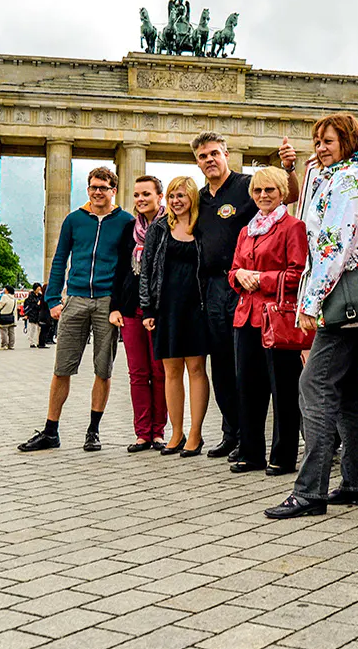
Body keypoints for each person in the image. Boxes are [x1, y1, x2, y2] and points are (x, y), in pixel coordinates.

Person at [266, 113, 358, 519]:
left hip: (340, 299)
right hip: (351, 299)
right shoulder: (338, 177)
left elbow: (333, 248)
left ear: (348, 141)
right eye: (317, 141)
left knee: (314, 386)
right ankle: (357, 482)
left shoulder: (349, 182)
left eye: (328, 141)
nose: (320, 148)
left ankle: (309, 492)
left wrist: (310, 304)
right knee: (347, 390)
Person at [191, 131, 299, 460]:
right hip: (215, 286)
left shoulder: (247, 186)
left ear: (226, 154)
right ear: (197, 161)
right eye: (202, 156)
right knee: (223, 366)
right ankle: (232, 433)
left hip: (250, 291)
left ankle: (259, 442)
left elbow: (287, 194)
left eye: (214, 153)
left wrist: (289, 168)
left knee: (257, 372)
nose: (209, 160)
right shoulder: (200, 198)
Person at [18, 167, 134, 453]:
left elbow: (128, 267)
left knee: (103, 369)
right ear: (88, 189)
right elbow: (60, 259)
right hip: (77, 298)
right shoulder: (74, 220)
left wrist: (122, 304)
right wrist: (53, 299)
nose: (97, 192)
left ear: (113, 190)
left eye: (103, 188)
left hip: (107, 301)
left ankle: (93, 431)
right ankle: (50, 431)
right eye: (93, 187)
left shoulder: (125, 221)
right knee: (62, 369)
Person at [227, 167, 308, 475]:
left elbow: (298, 274)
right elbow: (233, 271)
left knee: (283, 390)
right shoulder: (246, 231)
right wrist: (239, 276)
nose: (263, 196)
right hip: (246, 317)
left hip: (277, 318)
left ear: (282, 192)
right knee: (247, 388)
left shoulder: (292, 227)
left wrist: (261, 279)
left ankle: (283, 456)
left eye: (270, 190)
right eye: (258, 191)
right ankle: (250, 453)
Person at [141, 176, 210, 458]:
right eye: (171, 196)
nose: (176, 201)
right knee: (171, 372)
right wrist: (147, 309)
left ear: (192, 198)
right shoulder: (158, 228)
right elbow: (146, 270)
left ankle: (196, 433)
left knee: (196, 370)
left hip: (197, 307)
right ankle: (177, 431)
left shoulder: (203, 227)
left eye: (181, 195)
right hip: (165, 307)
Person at [110, 175, 169, 453]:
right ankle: (142, 433)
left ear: (160, 196)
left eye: (146, 193)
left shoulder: (171, 226)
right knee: (137, 373)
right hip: (131, 309)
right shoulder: (128, 229)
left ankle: (159, 431)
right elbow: (120, 269)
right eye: (136, 195)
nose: (140, 199)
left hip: (159, 311)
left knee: (160, 373)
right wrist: (114, 307)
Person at [0, 285, 17, 350]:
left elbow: (0, 305)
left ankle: (4, 345)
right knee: (11, 332)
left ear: (7, 290)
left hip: (4, 316)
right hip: (11, 317)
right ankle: (11, 345)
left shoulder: (4, 297)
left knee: (3, 331)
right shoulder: (14, 298)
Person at [23, 283, 42, 347]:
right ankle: (32, 342)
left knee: (39, 329)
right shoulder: (31, 296)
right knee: (33, 329)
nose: (39, 290)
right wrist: (37, 304)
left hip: (39, 314)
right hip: (32, 314)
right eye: (38, 289)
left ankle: (39, 341)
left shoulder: (40, 296)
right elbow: (30, 306)